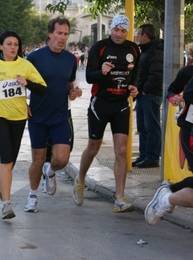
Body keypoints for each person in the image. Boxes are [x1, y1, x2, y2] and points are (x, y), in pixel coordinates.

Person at [0, 30, 46, 219]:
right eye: (9, 44)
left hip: (19, 116)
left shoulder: (25, 65)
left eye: (16, 44)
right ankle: (7, 204)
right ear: (0, 46)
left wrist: (27, 82)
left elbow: (42, 88)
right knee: (6, 158)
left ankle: (0, 179)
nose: (13, 47)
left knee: (11, 159)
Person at [72, 15, 140, 213]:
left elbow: (136, 71)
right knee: (93, 148)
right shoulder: (99, 47)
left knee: (121, 150)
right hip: (100, 104)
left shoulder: (134, 49)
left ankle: (119, 197)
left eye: (123, 30)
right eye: (116, 29)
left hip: (121, 104)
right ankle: (81, 179)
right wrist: (101, 71)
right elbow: (89, 76)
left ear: (127, 32)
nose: (119, 34)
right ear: (111, 29)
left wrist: (134, 87)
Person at [24, 16, 81, 213]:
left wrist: (74, 92)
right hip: (38, 116)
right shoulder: (34, 58)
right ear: (50, 33)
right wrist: (23, 103)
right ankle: (32, 197)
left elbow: (69, 82)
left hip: (59, 116)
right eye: (59, 33)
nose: (63, 37)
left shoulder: (70, 59)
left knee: (62, 159)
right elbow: (18, 80)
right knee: (37, 160)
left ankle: (51, 172)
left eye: (65, 34)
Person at [144, 63, 193, 225]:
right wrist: (175, 98)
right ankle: (166, 197)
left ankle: (169, 191)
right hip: (190, 130)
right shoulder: (188, 72)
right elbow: (172, 90)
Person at [133, 24, 164, 168]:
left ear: (145, 36)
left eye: (139, 33)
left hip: (150, 95)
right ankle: (144, 155)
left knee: (152, 127)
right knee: (143, 127)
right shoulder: (146, 50)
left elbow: (156, 74)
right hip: (143, 94)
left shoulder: (155, 51)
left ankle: (152, 157)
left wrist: (145, 90)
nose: (137, 36)